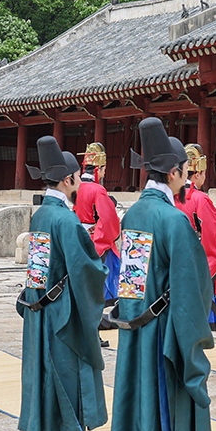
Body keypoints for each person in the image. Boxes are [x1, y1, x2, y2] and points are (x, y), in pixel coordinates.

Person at [109, 117, 214, 431]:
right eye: (184, 172)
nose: (185, 179)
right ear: (173, 173)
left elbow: (131, 281)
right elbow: (192, 291)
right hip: (163, 336)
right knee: (160, 412)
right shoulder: (174, 221)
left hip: (136, 326)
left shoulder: (134, 212)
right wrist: (194, 348)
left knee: (136, 409)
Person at [18, 136, 107, 431]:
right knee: (61, 371)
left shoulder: (43, 214)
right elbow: (85, 269)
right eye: (78, 177)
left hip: (39, 303)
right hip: (60, 311)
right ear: (68, 179)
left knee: (41, 370)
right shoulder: (66, 220)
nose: (80, 182)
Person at [174, 143, 216, 332]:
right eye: (204, 173)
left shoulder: (170, 195)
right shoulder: (200, 199)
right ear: (197, 173)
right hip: (197, 255)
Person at [75, 142, 121, 336]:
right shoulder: (98, 191)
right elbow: (109, 220)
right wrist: (103, 239)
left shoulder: (76, 187)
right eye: (103, 170)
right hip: (97, 242)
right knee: (101, 287)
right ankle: (92, 330)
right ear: (99, 168)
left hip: (78, 240)